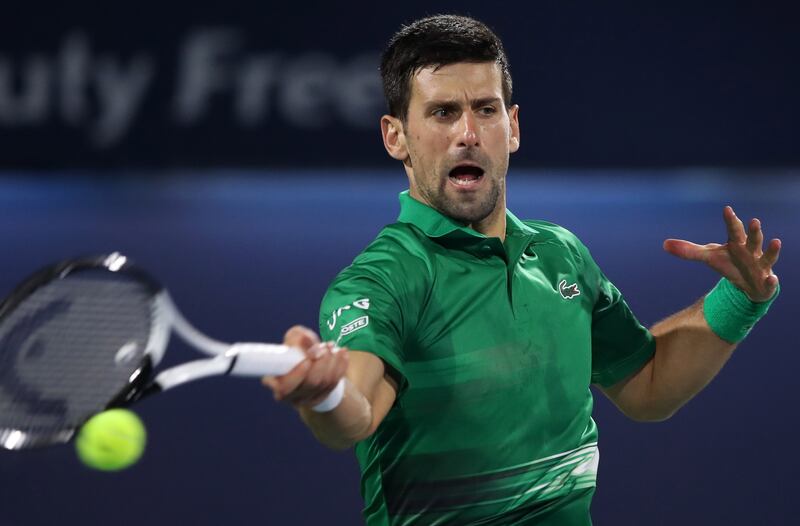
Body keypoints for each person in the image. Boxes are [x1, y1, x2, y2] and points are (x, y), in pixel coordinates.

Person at [261, 14, 781, 525]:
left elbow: (647, 385)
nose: (468, 132)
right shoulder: (382, 278)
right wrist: (325, 392)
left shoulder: (562, 254)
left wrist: (736, 300)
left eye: (485, 109)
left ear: (511, 127)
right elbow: (358, 410)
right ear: (396, 137)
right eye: (442, 113)